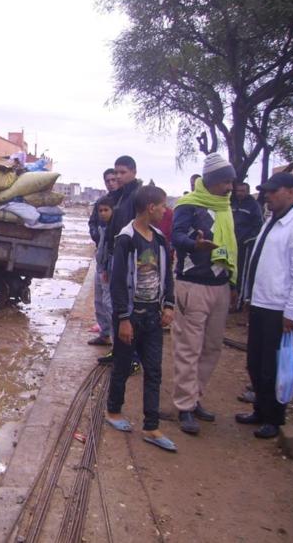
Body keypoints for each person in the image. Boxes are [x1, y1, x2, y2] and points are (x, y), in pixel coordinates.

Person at [105, 185, 176, 452]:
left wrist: (168, 305)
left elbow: (167, 275)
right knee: (123, 365)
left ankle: (151, 426)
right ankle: (113, 412)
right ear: (150, 207)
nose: (165, 209)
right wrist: (123, 318)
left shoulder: (159, 239)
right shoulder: (126, 239)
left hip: (153, 318)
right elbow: (118, 283)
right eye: (163, 205)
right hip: (131, 316)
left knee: (154, 371)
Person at [171, 153, 237, 435]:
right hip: (193, 285)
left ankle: (195, 397)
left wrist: (232, 285)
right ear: (211, 182)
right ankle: (184, 407)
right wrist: (194, 246)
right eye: (225, 182)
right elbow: (176, 237)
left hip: (220, 286)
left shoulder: (225, 207)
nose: (230, 188)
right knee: (189, 347)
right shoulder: (188, 205)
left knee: (212, 347)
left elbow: (232, 248)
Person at [235, 173, 293, 438]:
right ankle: (260, 409)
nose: (268, 195)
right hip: (261, 302)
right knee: (255, 361)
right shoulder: (271, 221)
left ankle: (274, 417)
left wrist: (292, 312)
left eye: (273, 191)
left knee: (272, 366)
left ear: (291, 192)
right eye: (266, 191)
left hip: (279, 307)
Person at [99, 155, 143, 366]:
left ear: (133, 172)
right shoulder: (119, 196)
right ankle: (119, 351)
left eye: (122, 172)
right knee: (116, 306)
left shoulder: (137, 197)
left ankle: (132, 358)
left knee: (128, 307)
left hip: (129, 259)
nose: (118, 176)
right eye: (116, 172)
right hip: (115, 257)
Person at [231, 181, 263, 309]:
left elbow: (258, 225)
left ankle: (239, 301)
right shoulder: (231, 203)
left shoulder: (253, 206)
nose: (239, 193)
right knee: (229, 271)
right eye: (238, 191)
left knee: (241, 274)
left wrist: (248, 240)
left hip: (245, 246)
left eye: (242, 191)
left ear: (247, 191)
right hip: (231, 244)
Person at [88, 195, 115, 346]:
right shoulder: (102, 227)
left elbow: (111, 251)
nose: (103, 213)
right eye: (100, 211)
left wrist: (106, 268)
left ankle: (117, 341)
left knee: (108, 303)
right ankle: (105, 334)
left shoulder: (114, 228)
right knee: (99, 301)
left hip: (107, 269)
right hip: (101, 266)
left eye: (106, 210)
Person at [88, 168, 119, 245]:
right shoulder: (100, 202)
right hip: (103, 246)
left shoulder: (124, 200)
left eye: (113, 180)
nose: (111, 183)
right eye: (107, 181)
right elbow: (92, 222)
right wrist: (96, 236)